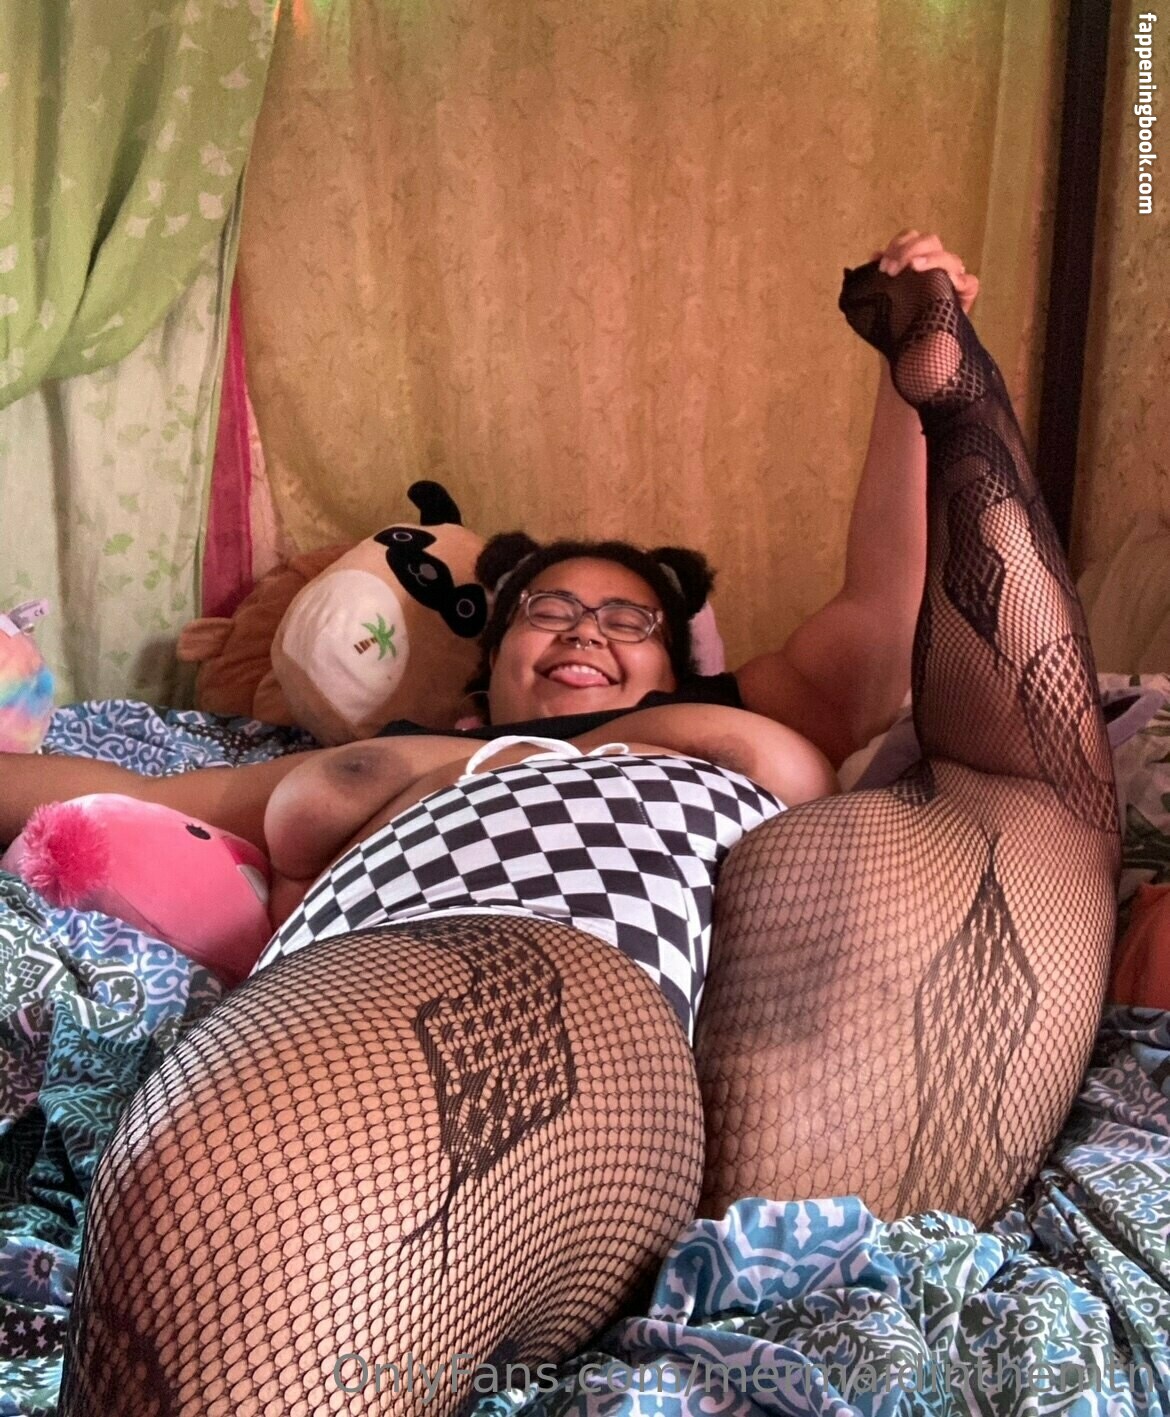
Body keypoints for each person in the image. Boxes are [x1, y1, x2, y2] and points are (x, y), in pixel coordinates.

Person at [17, 232, 1117, 1415]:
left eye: (629, 618)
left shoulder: (748, 709)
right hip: (558, 974)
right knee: (235, 1200)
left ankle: (960, 396)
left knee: (1030, 782)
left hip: (826, 1008)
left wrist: (906, 373)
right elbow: (114, 793)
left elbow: (887, 606)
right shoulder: (394, 754)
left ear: (677, 659)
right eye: (550, 609)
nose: (588, 629)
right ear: (486, 666)